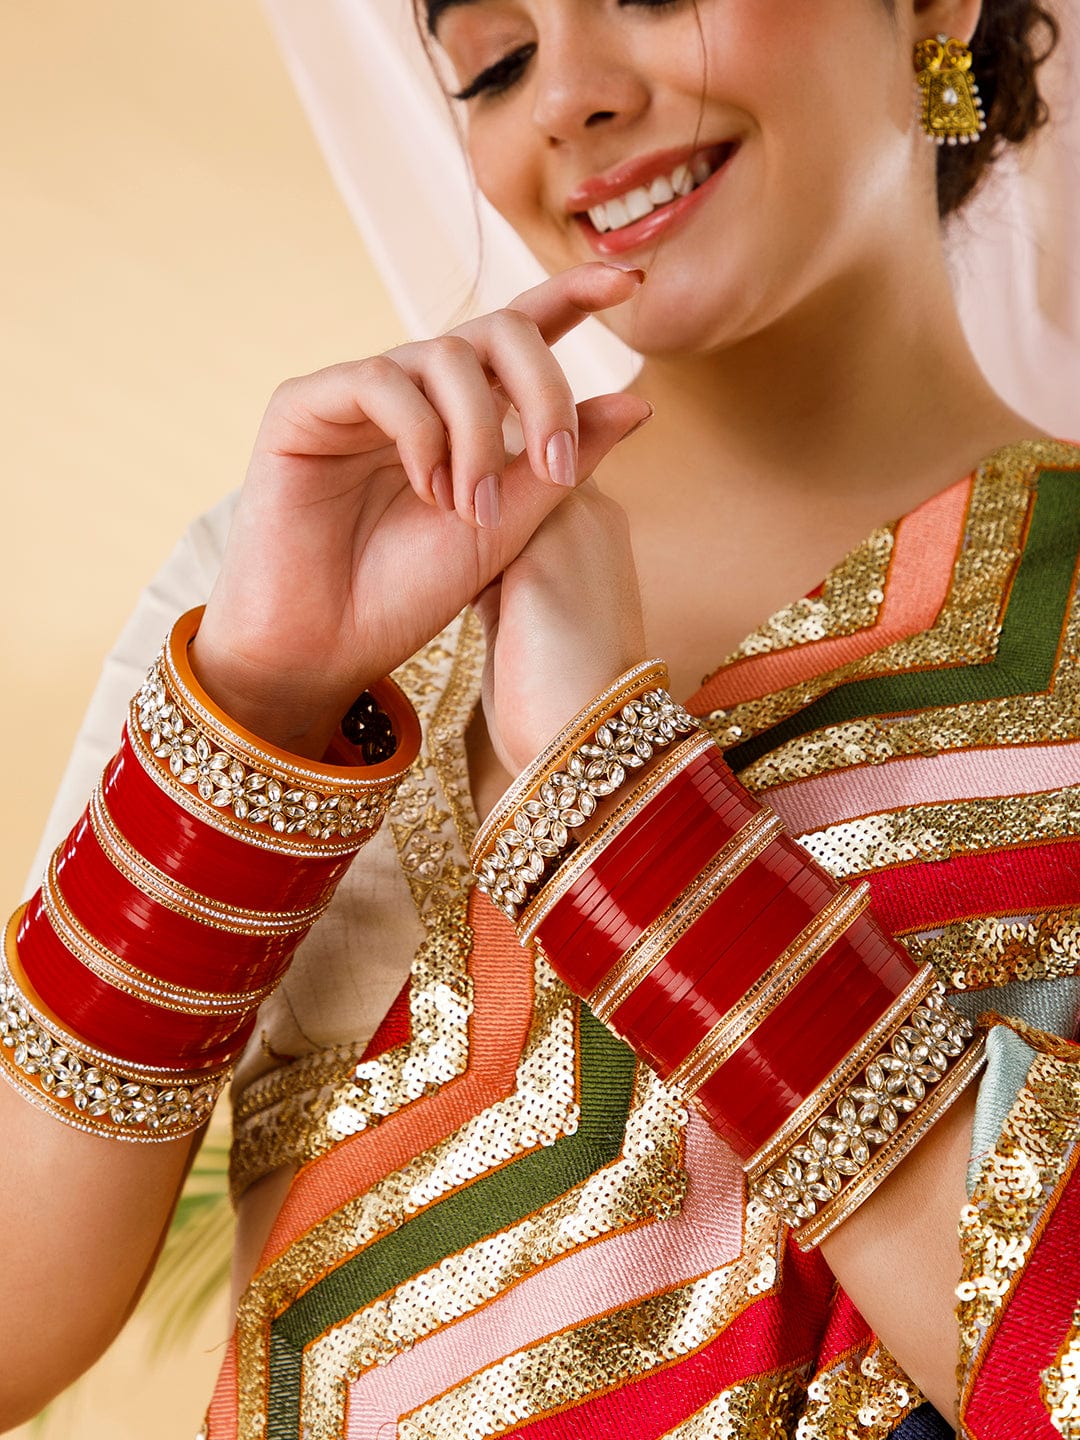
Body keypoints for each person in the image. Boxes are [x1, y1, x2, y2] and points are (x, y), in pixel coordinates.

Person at [1, 0, 1077, 1436]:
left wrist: (622, 826)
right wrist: (251, 723)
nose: (565, 99)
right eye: (493, 61)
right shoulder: (303, 572)